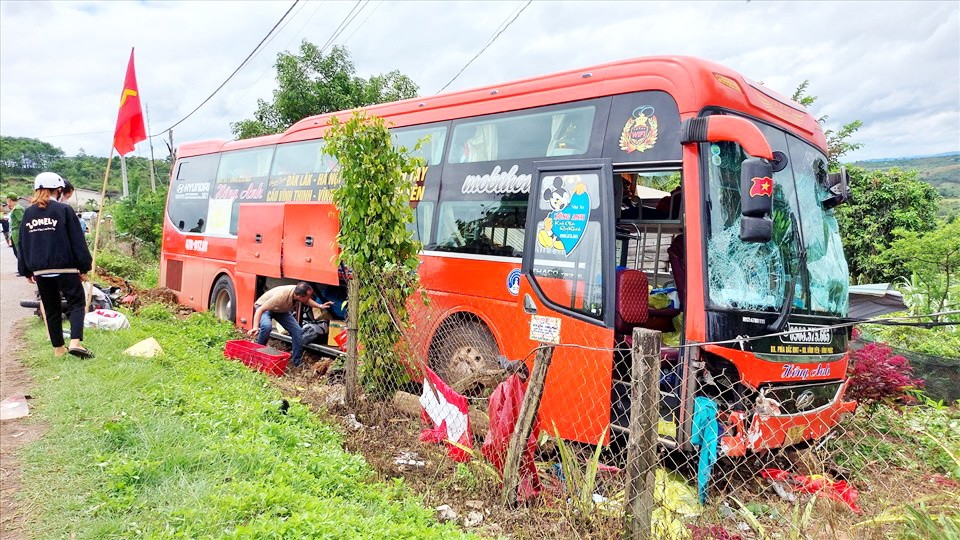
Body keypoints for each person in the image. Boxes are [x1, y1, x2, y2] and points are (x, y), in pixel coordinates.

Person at [17, 172, 94, 359]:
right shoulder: (64, 210)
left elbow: (23, 243)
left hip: (41, 270)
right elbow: (77, 241)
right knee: (77, 303)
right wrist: (84, 266)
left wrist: (25, 270)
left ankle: (59, 350)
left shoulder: (28, 213)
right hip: (65, 268)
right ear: (58, 190)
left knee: (51, 309)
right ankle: (76, 342)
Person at [247, 282, 332, 369]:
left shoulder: (298, 292)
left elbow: (307, 300)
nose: (310, 298)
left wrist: (320, 306)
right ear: (299, 297)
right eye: (308, 296)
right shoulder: (281, 297)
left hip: (280, 310)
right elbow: (260, 310)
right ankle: (257, 355)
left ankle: (297, 363)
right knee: (267, 326)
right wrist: (255, 327)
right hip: (264, 308)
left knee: (297, 331)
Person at [6, 193, 24, 263]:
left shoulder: (17, 209)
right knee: (17, 250)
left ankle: (22, 268)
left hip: (17, 231)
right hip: (15, 231)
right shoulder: (16, 208)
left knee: (19, 250)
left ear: (9, 199)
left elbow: (21, 220)